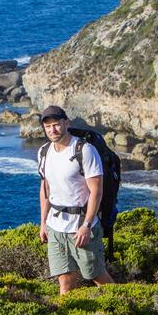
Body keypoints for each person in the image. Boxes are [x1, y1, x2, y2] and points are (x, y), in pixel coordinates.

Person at [37, 105, 114, 294]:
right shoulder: (44, 151)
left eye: (56, 125)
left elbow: (96, 192)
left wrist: (87, 225)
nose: (52, 130)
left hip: (80, 225)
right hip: (56, 227)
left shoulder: (84, 150)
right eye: (48, 127)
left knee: (96, 275)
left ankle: (122, 303)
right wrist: (43, 223)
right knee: (64, 279)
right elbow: (46, 188)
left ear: (66, 123)